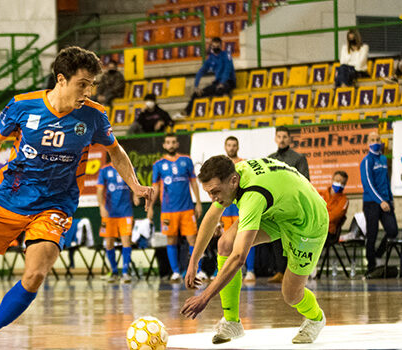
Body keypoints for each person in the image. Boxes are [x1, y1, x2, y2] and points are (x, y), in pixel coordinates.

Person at [0, 46, 154, 350]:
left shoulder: (93, 115)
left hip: (55, 205)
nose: (88, 91)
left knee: (35, 274)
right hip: (9, 199)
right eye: (83, 84)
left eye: (91, 84)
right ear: (61, 79)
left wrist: (134, 185)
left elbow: (115, 150)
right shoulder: (23, 106)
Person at [181, 156, 329, 344]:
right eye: (209, 193)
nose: (213, 198)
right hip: (278, 211)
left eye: (215, 192)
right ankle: (232, 321)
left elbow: (239, 258)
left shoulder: (253, 195)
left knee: (291, 294)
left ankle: (316, 318)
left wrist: (205, 297)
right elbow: (211, 217)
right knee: (225, 243)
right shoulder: (234, 174)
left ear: (233, 181)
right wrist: (193, 262)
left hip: (308, 222)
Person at [147, 134, 203, 282]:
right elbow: (155, 188)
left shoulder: (186, 160)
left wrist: (198, 202)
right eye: (168, 143)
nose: (170, 145)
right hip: (168, 210)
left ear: (177, 144)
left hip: (186, 208)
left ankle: (198, 270)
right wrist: (151, 206)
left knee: (193, 239)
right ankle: (176, 272)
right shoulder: (158, 164)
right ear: (164, 146)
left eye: (173, 142)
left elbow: (194, 183)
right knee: (171, 241)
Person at [266, 126, 309, 283]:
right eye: (279, 136)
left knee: (292, 239)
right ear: (275, 139)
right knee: (277, 239)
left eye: (285, 136)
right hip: (275, 204)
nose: (282, 139)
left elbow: (305, 182)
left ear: (290, 139)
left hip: (293, 204)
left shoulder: (298, 158)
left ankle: (295, 273)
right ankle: (280, 272)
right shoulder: (269, 158)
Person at [359, 131, 398, 274]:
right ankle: (371, 266)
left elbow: (386, 181)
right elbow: (368, 184)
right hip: (371, 203)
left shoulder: (383, 160)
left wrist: (390, 199)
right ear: (368, 143)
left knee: (393, 231)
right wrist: (380, 201)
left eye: (377, 139)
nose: (376, 142)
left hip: (385, 202)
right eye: (372, 140)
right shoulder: (367, 161)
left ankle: (378, 255)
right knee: (372, 234)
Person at [97, 157, 141, 283]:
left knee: (126, 239)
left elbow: (135, 185)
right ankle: (114, 271)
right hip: (109, 213)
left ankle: (126, 273)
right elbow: (100, 190)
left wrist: (136, 196)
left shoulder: (130, 168)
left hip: (125, 211)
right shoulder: (104, 170)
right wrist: (101, 206)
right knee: (109, 242)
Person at [220, 136, 256, 282]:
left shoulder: (244, 164)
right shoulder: (221, 166)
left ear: (238, 147)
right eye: (229, 145)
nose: (231, 148)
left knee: (248, 240)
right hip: (226, 211)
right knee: (226, 242)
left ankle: (251, 271)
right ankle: (226, 273)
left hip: (241, 209)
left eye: (234, 145)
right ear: (225, 147)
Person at [177, 37, 236, 118]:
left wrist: (222, 82)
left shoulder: (226, 54)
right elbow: (201, 71)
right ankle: (186, 112)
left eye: (217, 46)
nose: (216, 48)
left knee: (220, 89)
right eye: (214, 46)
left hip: (229, 81)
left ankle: (226, 108)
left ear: (221, 46)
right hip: (217, 83)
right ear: (211, 46)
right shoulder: (210, 59)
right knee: (196, 94)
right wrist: (196, 86)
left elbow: (227, 69)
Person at [319, 171, 349, 236]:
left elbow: (333, 217)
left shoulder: (344, 201)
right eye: (338, 181)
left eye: (343, 183)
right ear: (332, 180)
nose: (340, 184)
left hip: (328, 231)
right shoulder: (320, 194)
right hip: (314, 226)